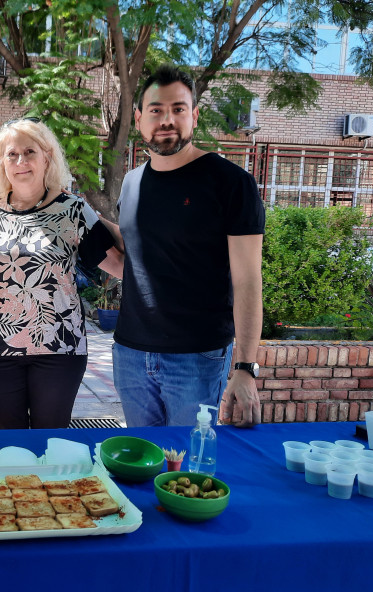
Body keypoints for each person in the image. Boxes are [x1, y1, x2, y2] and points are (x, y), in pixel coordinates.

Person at [113, 65, 265, 428]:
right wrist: (75, 216)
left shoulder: (230, 183)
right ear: (139, 119)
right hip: (131, 355)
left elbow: (248, 281)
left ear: (194, 116)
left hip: (196, 359)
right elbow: (136, 252)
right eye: (156, 110)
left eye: (178, 109)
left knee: (190, 474)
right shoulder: (132, 183)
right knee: (141, 468)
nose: (167, 120)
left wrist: (245, 368)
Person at [0, 118, 123, 429]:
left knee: (51, 442)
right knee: (6, 445)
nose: (20, 162)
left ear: (46, 157)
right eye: (11, 154)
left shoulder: (73, 210)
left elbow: (118, 264)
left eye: (29, 152)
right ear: (1, 163)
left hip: (60, 351)